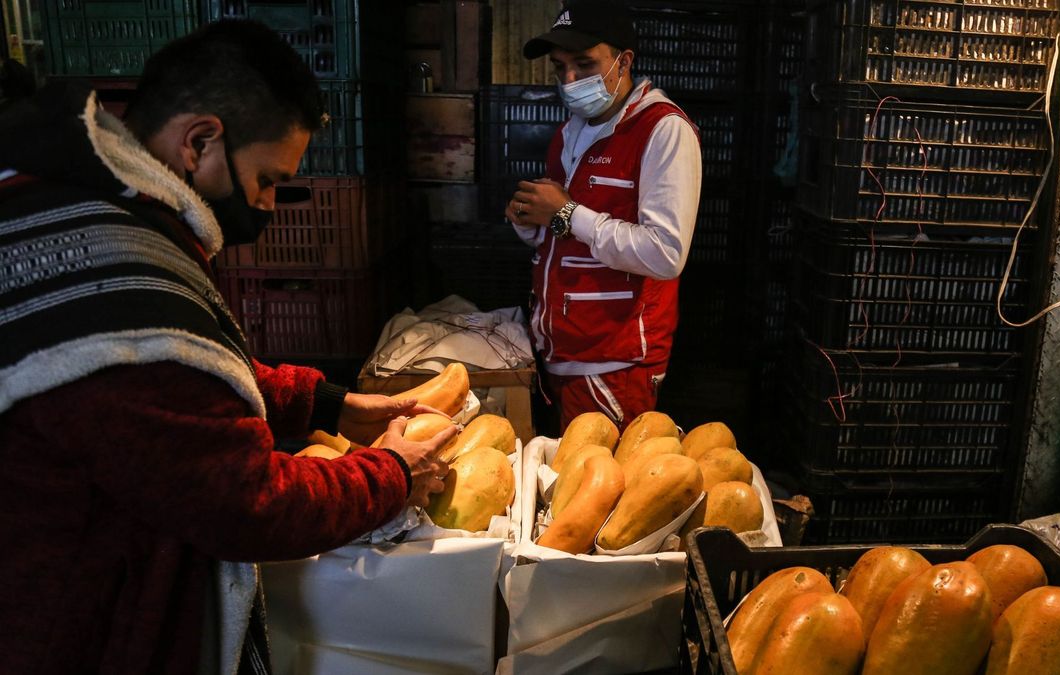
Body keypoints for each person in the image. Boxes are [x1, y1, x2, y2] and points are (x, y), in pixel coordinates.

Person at [0, 20, 453, 675]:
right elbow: (249, 503)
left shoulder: (77, 196)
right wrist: (394, 473)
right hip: (72, 627)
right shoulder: (124, 275)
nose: (269, 205)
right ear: (200, 141)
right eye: (267, 180)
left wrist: (327, 404)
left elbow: (180, 376)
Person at [508, 0, 702, 432]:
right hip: (561, 349)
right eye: (560, 67)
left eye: (584, 63)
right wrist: (531, 221)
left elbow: (666, 254)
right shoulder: (569, 131)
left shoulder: (663, 130)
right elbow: (560, 234)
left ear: (624, 60)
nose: (570, 79)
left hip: (616, 362)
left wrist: (569, 213)